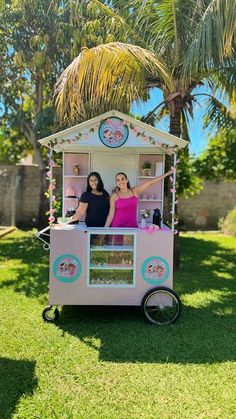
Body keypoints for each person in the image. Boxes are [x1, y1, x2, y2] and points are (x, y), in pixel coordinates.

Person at [105, 170, 173, 228]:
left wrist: (168, 173)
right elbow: (111, 214)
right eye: (118, 180)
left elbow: (151, 182)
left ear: (127, 180)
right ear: (116, 183)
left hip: (132, 227)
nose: (120, 181)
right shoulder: (114, 195)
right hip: (117, 227)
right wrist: (104, 231)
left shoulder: (135, 191)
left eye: (122, 179)